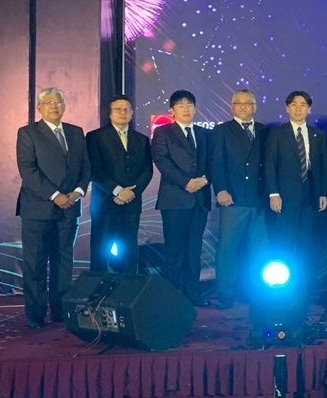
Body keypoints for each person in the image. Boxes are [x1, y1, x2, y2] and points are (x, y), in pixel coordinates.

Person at [16, 87, 90, 328]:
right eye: (48, 102)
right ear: (39, 107)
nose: (54, 106)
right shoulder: (28, 133)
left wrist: (77, 192)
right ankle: (36, 315)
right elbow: (28, 170)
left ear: (64, 106)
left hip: (69, 208)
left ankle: (61, 311)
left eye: (58, 102)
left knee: (63, 262)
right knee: (35, 262)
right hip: (38, 209)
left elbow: (85, 168)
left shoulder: (76, 132)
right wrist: (55, 195)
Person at [152, 90, 212, 307]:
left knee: (194, 249)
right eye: (180, 105)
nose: (186, 109)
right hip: (175, 199)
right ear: (172, 110)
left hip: (200, 199)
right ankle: (173, 298)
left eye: (189, 105)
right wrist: (186, 182)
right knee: (175, 251)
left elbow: (211, 161)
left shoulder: (204, 133)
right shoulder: (163, 133)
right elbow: (162, 161)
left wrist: (203, 180)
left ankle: (193, 294)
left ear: (195, 108)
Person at [209, 89, 269, 310]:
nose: (243, 106)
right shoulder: (222, 131)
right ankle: (225, 292)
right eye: (238, 103)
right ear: (232, 106)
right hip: (232, 198)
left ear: (255, 107)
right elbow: (216, 163)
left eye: (248, 103)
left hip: (260, 199)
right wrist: (221, 190)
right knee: (227, 247)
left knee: (259, 248)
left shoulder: (264, 131)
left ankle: (257, 291)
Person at [263, 91, 327, 290]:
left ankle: (305, 284)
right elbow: (269, 164)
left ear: (309, 109)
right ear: (287, 108)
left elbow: (322, 166)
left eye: (303, 105)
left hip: (310, 195)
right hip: (284, 195)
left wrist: (322, 192)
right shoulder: (277, 133)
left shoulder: (317, 134)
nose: (298, 108)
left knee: (307, 241)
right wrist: (273, 193)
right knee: (285, 239)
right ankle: (284, 284)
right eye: (294, 104)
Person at [86, 94, 153, 274]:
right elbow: (94, 170)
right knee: (101, 253)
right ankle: (98, 298)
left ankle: (126, 297)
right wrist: (117, 191)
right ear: (109, 113)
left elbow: (147, 171)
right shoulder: (95, 137)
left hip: (131, 204)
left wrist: (131, 193)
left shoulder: (142, 139)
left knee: (129, 253)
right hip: (104, 205)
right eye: (118, 109)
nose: (122, 113)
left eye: (127, 109)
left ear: (131, 114)